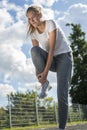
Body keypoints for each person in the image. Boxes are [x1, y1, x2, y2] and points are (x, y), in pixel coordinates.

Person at [26, 5, 73, 130]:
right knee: (34, 50)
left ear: (40, 14)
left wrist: (45, 72)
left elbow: (51, 50)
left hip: (64, 58)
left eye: (33, 18)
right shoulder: (33, 33)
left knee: (61, 93)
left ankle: (61, 128)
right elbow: (36, 57)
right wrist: (40, 76)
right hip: (50, 61)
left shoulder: (51, 24)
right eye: (29, 19)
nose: (32, 21)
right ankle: (45, 84)